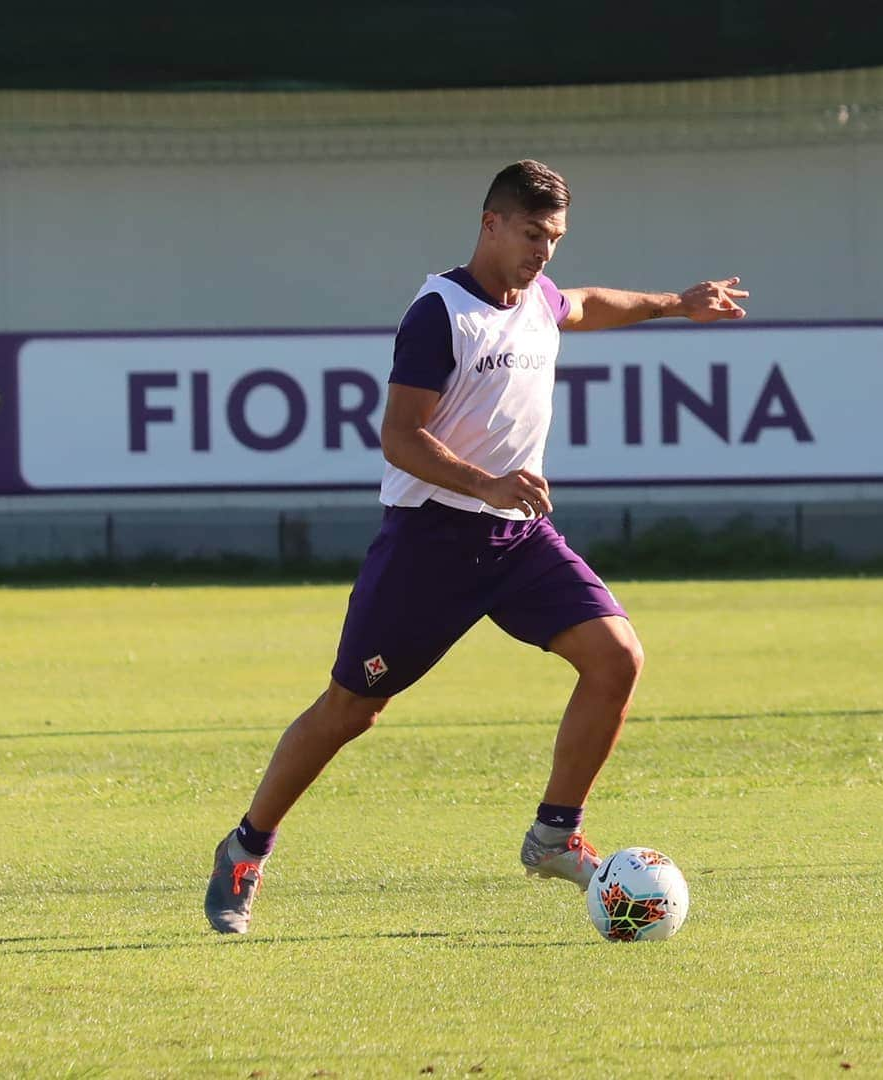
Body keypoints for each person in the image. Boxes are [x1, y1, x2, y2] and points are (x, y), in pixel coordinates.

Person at [205, 159, 748, 934]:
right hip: (429, 544)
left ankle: (555, 835)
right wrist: (484, 482)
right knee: (350, 710)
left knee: (617, 657)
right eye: (532, 233)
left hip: (520, 540)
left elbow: (588, 304)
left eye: (555, 237)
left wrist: (674, 304)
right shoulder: (439, 313)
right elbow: (399, 437)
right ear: (491, 223)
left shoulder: (539, 300)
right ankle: (246, 847)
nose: (544, 252)